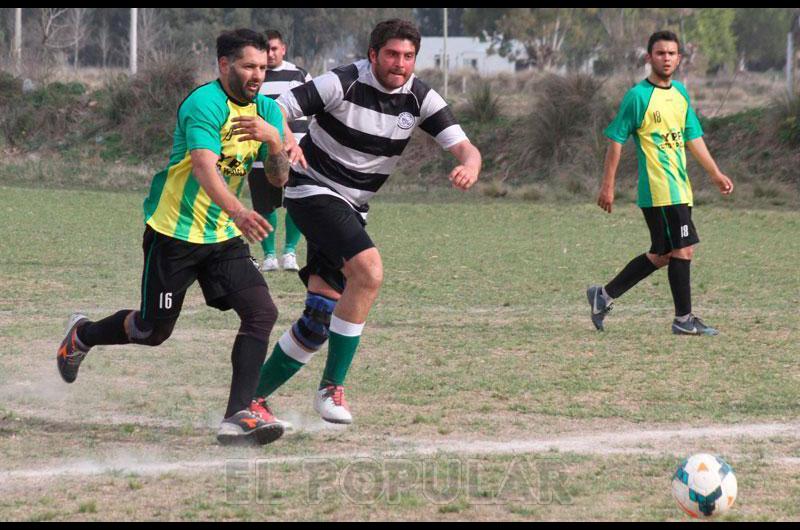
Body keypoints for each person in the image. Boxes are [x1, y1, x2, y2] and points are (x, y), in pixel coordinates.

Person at [56, 29, 293, 446]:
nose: (258, 74)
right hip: (174, 233)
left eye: (262, 66)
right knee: (152, 331)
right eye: (248, 66)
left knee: (262, 313)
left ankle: (238, 413)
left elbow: (278, 179)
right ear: (224, 66)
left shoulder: (270, 112)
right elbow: (204, 167)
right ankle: (82, 335)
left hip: (222, 237)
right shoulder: (204, 104)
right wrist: (239, 211)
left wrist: (276, 142)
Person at [253, 19, 482, 425]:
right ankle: (330, 390)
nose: (400, 64)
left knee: (317, 322)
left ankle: (250, 399)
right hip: (312, 189)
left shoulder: (420, 98)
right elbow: (274, 108)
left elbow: (467, 148)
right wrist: (287, 139)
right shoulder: (343, 82)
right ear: (373, 54)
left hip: (353, 206)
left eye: (408, 56)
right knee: (369, 271)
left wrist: (469, 165)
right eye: (392, 54)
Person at [587, 30, 734, 335]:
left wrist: (715, 174)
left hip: (680, 188)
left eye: (671, 53)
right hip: (659, 190)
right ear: (648, 57)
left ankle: (603, 296)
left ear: (679, 58)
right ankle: (683, 320)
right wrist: (608, 186)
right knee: (684, 250)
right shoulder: (638, 96)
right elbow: (615, 142)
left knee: (663, 255)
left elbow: (693, 138)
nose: (666, 58)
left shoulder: (680, 93)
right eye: (660, 53)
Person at [248, 29, 312, 272]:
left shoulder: (298, 75)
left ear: (283, 48)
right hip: (259, 156)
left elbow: (315, 111)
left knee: (296, 203)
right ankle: (269, 256)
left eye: (275, 49)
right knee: (264, 207)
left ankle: (290, 253)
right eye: (266, 50)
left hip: (296, 154)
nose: (271, 54)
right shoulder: (253, 78)